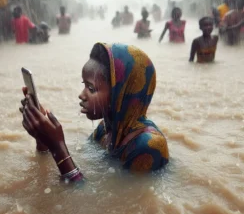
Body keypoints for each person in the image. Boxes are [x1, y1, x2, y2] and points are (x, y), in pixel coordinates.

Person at [20, 43, 169, 182]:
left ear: (119, 95)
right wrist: (43, 139)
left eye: (91, 89)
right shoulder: (104, 130)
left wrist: (58, 147)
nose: (81, 95)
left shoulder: (148, 146)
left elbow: (107, 206)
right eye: (84, 85)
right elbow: (80, 168)